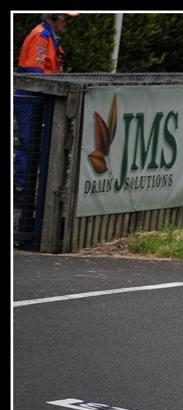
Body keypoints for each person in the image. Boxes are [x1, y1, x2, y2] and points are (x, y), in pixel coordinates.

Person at [14, 13, 79, 246]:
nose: (68, 24)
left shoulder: (50, 36)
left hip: (36, 97)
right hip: (31, 96)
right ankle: (21, 190)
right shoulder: (42, 36)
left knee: (34, 145)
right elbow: (35, 73)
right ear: (54, 17)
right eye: (66, 20)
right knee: (29, 143)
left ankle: (25, 192)